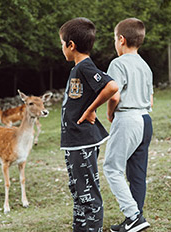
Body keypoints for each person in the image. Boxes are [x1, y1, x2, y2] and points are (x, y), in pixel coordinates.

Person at [59, 17, 118, 232]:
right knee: (78, 190)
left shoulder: (85, 66)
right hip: (74, 142)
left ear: (71, 45)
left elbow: (111, 87)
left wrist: (91, 109)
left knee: (88, 194)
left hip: (82, 140)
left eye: (62, 43)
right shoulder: (78, 68)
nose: (61, 48)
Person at [103, 18, 154, 232]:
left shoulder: (119, 63)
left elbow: (114, 95)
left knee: (112, 168)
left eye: (115, 39)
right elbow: (151, 100)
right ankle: (135, 218)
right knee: (137, 173)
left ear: (121, 40)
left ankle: (133, 216)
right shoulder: (145, 66)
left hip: (128, 119)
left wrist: (109, 113)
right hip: (145, 119)